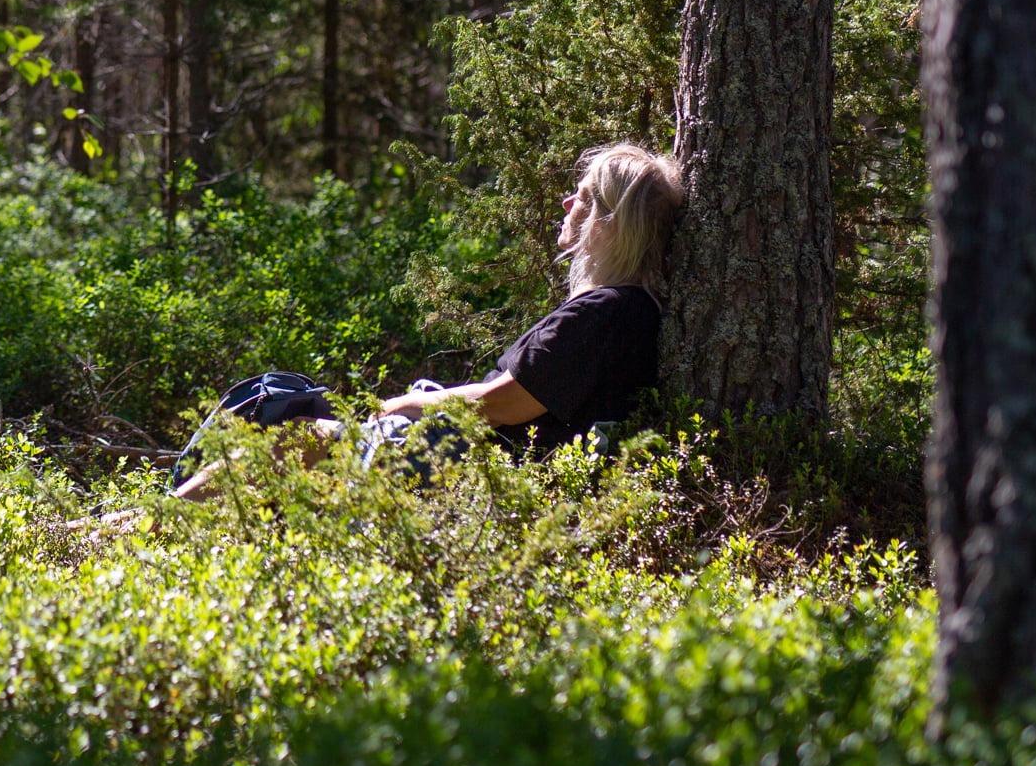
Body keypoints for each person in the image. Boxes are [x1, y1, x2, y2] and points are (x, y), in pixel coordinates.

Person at [169, 142, 682, 501]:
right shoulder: (628, 311)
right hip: (482, 461)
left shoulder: (607, 312)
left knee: (290, 439)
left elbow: (501, 404)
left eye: (585, 199)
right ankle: (150, 518)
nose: (568, 204)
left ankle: (151, 524)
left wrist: (409, 403)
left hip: (478, 470)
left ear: (612, 224)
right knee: (276, 395)